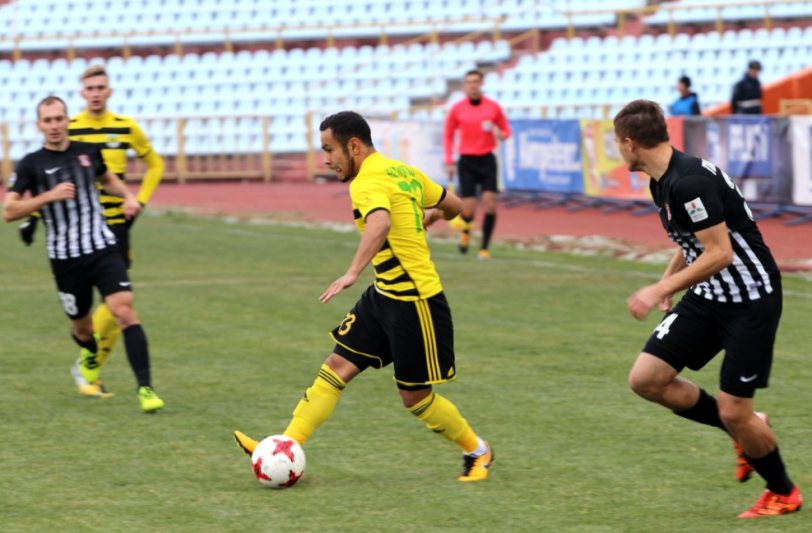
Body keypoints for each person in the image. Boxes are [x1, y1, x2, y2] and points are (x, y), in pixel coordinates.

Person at [234, 111, 494, 481]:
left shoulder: (365, 181)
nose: (326, 159)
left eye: (330, 150)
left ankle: (478, 451)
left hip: (414, 302)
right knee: (335, 368)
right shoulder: (404, 172)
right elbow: (455, 206)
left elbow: (380, 222)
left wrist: (352, 271)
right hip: (384, 295)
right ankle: (284, 445)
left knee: (416, 399)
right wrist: (430, 216)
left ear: (354, 146)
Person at [615, 100, 800, 518]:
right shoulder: (662, 179)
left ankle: (783, 492)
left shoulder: (689, 181)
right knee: (647, 379)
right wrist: (670, 282)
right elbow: (692, 241)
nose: (617, 152)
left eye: (616, 144)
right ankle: (744, 430)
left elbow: (720, 253)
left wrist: (659, 287)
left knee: (737, 409)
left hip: (750, 299)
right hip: (709, 295)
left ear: (630, 143)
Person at [2, 96, 164, 413]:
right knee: (82, 329)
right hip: (65, 259)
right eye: (47, 120)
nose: (54, 125)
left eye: (59, 118)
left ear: (67, 121)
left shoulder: (88, 152)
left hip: (102, 247)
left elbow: (107, 179)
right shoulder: (31, 163)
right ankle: (88, 350)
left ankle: (146, 390)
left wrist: (129, 195)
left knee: (124, 310)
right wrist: (48, 196)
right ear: (39, 125)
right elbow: (9, 210)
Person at [443, 69, 511, 260]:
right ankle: (465, 232)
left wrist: (503, 135)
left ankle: (484, 248)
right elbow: (448, 135)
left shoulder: (493, 107)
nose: (472, 85)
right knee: (469, 207)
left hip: (487, 159)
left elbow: (506, 129)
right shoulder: (457, 109)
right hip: (467, 161)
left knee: (490, 204)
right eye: (468, 82)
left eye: (475, 81)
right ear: (465, 86)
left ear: (481, 83)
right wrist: (449, 161)